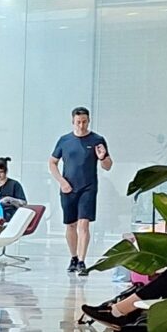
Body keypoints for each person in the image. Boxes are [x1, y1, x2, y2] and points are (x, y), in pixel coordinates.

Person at [48, 108, 112, 274]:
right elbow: (52, 162)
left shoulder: (97, 140)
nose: (82, 125)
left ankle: (82, 261)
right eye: (78, 122)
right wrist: (61, 182)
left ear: (88, 121)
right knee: (70, 225)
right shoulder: (64, 140)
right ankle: (74, 257)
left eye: (84, 122)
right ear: (73, 122)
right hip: (68, 187)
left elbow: (108, 166)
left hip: (88, 187)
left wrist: (102, 157)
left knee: (83, 224)